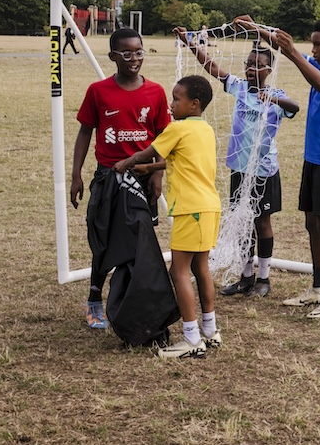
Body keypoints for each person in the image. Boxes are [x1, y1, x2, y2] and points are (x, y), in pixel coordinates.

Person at [236, 15, 320, 319]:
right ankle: (318, 289)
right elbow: (282, 45)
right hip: (314, 160)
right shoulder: (319, 64)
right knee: (312, 225)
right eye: (311, 44)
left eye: (319, 44)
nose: (313, 49)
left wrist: (293, 54)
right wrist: (256, 29)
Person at [174, 26, 299, 298]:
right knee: (242, 222)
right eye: (249, 64)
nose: (252, 69)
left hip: (263, 171)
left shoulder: (276, 95)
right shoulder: (240, 88)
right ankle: (246, 276)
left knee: (262, 223)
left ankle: (264, 279)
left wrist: (274, 98)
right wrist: (190, 42)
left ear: (269, 69)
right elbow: (213, 68)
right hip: (239, 169)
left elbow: (295, 107)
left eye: (259, 65)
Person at [113, 75, 221, 359]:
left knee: (179, 271)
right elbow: (179, 159)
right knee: (201, 268)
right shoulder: (204, 129)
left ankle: (191, 339)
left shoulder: (177, 128)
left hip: (189, 209)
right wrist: (152, 170)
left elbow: (147, 152)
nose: (171, 104)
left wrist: (126, 163)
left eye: (176, 98)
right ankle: (210, 331)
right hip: (209, 207)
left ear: (193, 104)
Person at [70, 28, 170, 330]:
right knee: (103, 240)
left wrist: (157, 173)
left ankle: (133, 301)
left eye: (138, 52)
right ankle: (94, 300)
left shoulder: (155, 92)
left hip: (141, 179)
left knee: (140, 242)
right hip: (109, 176)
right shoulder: (98, 91)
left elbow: (163, 138)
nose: (134, 59)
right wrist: (76, 174)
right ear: (113, 56)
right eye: (126, 53)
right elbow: (85, 131)